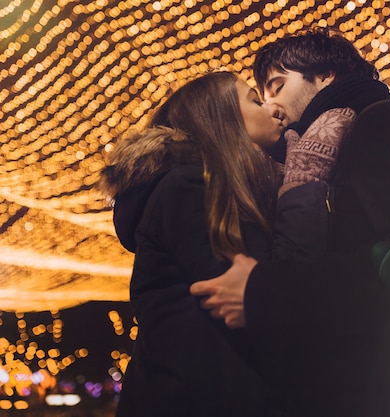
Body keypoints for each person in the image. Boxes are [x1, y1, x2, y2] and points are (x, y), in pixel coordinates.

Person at [191, 29, 390, 417]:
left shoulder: (388, 124)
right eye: (262, 97)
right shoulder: (306, 162)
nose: (272, 106)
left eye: (277, 86)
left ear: (325, 75)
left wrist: (267, 293)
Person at [98, 71, 286, 417]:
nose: (276, 109)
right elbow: (253, 292)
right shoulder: (189, 188)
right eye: (256, 101)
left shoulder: (216, 187)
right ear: (219, 116)